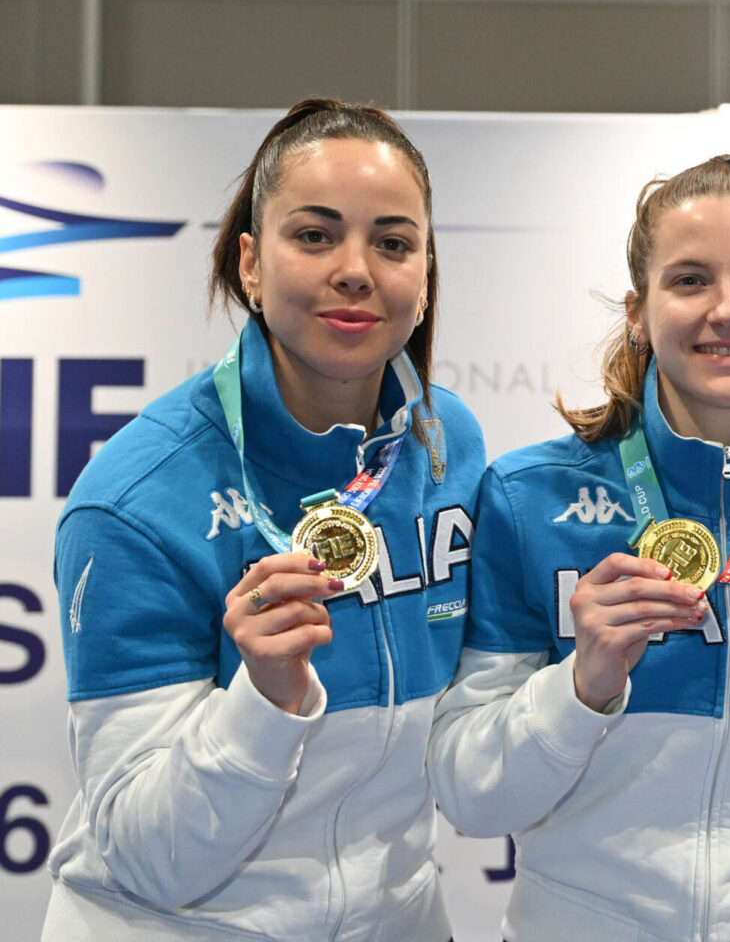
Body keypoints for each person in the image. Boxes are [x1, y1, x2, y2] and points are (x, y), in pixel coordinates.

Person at [429, 155, 730, 941]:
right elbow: (470, 797)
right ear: (639, 312)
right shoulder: (529, 499)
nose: (727, 309)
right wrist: (581, 687)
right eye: (690, 280)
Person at [45, 99, 483, 940]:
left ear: (425, 275)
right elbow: (149, 860)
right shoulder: (135, 500)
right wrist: (266, 701)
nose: (355, 270)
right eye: (315, 235)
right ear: (251, 263)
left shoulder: (447, 443)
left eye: (393, 243)